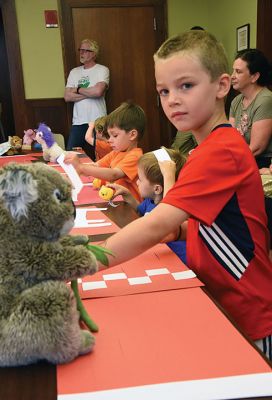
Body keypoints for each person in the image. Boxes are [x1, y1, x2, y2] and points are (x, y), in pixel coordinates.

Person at [100, 30, 272, 360]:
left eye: (186, 86)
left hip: (247, 313)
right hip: (219, 299)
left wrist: (79, 261)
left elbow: (155, 225)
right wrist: (178, 229)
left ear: (222, 86)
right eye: (163, 91)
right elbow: (205, 224)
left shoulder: (220, 151)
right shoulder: (205, 149)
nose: (172, 99)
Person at [107, 147, 187, 264]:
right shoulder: (149, 201)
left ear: (157, 189)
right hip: (159, 254)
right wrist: (127, 194)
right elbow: (140, 212)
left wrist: (168, 175)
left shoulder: (170, 208)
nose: (137, 182)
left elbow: (165, 213)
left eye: (140, 179)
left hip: (178, 261)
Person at [64, 101, 145, 201]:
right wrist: (77, 170)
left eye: (115, 135)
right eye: (109, 136)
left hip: (130, 208)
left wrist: (82, 167)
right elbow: (96, 166)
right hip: (116, 202)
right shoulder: (116, 152)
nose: (109, 140)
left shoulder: (135, 156)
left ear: (132, 135)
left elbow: (113, 174)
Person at [64, 39, 110, 159]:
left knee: (104, 154)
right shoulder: (74, 72)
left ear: (94, 53)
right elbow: (67, 96)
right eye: (81, 50)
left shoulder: (102, 70)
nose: (82, 53)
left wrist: (78, 89)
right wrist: (90, 92)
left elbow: (98, 91)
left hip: (99, 121)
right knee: (70, 155)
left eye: (86, 50)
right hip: (78, 121)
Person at [229, 49, 272, 168]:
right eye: (233, 71)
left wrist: (228, 162)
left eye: (238, 72)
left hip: (261, 162)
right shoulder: (236, 101)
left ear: (254, 77)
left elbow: (256, 148)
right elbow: (230, 138)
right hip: (241, 157)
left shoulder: (265, 99)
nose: (232, 76)